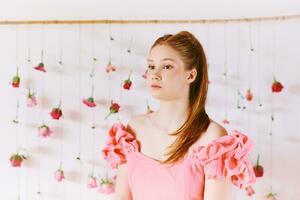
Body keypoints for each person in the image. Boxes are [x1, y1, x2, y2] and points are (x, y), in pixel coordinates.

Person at [102, 31, 256, 200]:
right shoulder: (133, 129)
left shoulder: (213, 138)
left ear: (190, 75)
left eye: (167, 66)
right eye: (152, 66)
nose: (155, 74)